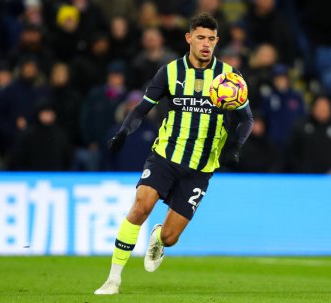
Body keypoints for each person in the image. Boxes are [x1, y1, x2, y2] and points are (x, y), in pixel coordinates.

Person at [94, 13, 253, 295]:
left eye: (211, 39)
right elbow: (142, 107)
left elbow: (247, 119)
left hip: (201, 167)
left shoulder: (229, 77)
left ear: (217, 41)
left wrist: (235, 147)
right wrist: (123, 132)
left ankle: (157, 238)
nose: (206, 44)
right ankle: (113, 279)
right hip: (166, 155)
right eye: (201, 37)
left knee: (170, 237)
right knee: (140, 206)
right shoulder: (169, 72)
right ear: (188, 38)